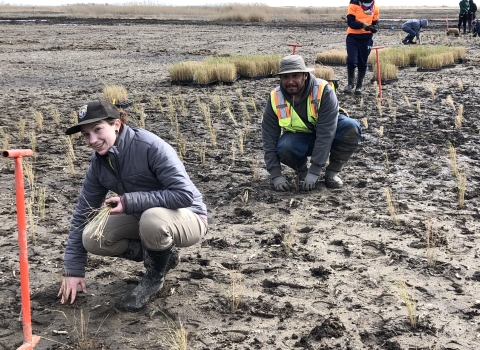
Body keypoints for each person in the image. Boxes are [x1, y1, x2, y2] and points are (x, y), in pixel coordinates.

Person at [58, 100, 208, 312]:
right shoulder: (99, 163)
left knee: (152, 218)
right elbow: (83, 212)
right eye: (85, 134)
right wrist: (73, 269)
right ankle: (164, 256)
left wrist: (129, 201)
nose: (92, 140)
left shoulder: (149, 146)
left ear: (116, 124)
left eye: (98, 129)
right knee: (92, 237)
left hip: (189, 217)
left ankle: (154, 279)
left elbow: (184, 195)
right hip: (145, 219)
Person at [262, 55, 362, 192]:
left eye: (295, 76)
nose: (290, 81)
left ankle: (332, 173)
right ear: (280, 78)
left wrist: (315, 171)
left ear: (305, 75)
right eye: (285, 77)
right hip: (301, 137)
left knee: (351, 128)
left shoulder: (323, 90)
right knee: (284, 147)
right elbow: (268, 138)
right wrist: (276, 175)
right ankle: (302, 170)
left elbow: (326, 133)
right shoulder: (274, 97)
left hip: (329, 133)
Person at [344, 0, 380, 95]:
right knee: (351, 60)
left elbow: (374, 22)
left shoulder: (375, 8)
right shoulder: (353, 5)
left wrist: (373, 28)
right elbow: (351, 23)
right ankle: (350, 83)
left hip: (366, 39)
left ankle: (359, 86)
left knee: (362, 62)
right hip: (353, 36)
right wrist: (363, 25)